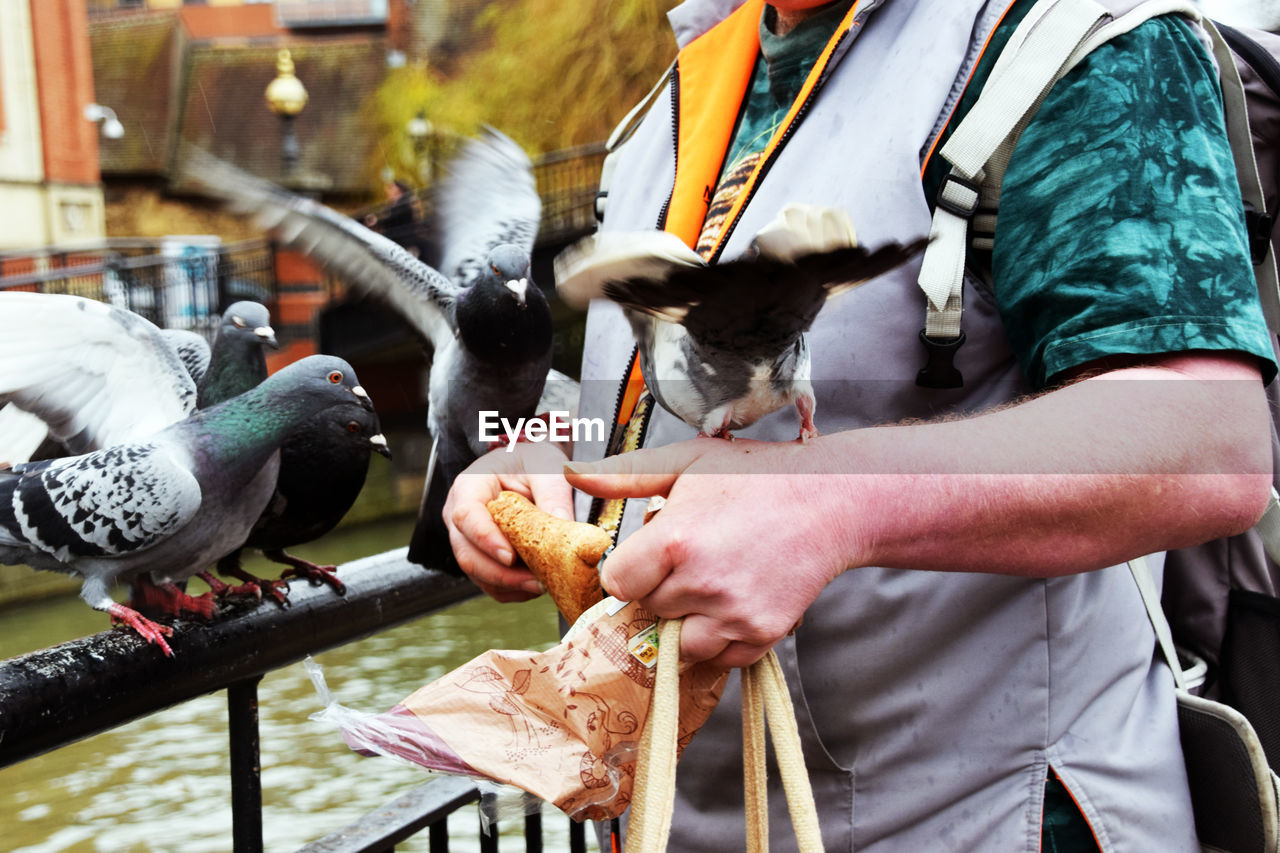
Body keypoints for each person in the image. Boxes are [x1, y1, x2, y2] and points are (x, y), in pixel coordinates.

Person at [442, 0, 1277, 849]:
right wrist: (544, 457)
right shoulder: (662, 112)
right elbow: (665, 402)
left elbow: (1212, 439)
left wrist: (834, 502)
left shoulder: (1072, 39)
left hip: (988, 825)